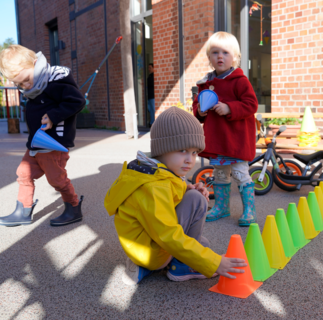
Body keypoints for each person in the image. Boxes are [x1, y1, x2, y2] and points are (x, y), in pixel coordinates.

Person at [104, 107, 247, 284]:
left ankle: (152, 265)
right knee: (196, 201)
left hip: (144, 245)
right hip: (152, 252)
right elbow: (169, 235)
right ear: (162, 148)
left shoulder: (152, 170)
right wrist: (214, 263)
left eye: (195, 152)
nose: (190, 159)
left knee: (199, 219)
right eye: (183, 151)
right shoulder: (153, 187)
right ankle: (181, 265)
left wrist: (187, 188)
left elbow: (171, 185)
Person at [0, 45, 86, 227]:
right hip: (36, 143)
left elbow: (77, 101)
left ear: (35, 63)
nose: (26, 86)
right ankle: (23, 210)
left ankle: (74, 207)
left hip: (53, 142)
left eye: (26, 80)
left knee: (56, 179)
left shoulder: (56, 80)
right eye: (20, 84)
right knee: (23, 173)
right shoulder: (33, 87)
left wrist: (54, 115)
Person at [192, 32, 258, 227]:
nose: (220, 56)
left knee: (239, 173)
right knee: (220, 173)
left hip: (235, 140)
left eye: (225, 52)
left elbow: (251, 104)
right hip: (218, 140)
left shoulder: (240, 80)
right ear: (209, 57)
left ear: (235, 57)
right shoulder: (206, 84)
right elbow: (197, 107)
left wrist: (229, 107)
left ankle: (249, 210)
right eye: (215, 52)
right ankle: (222, 207)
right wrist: (201, 113)